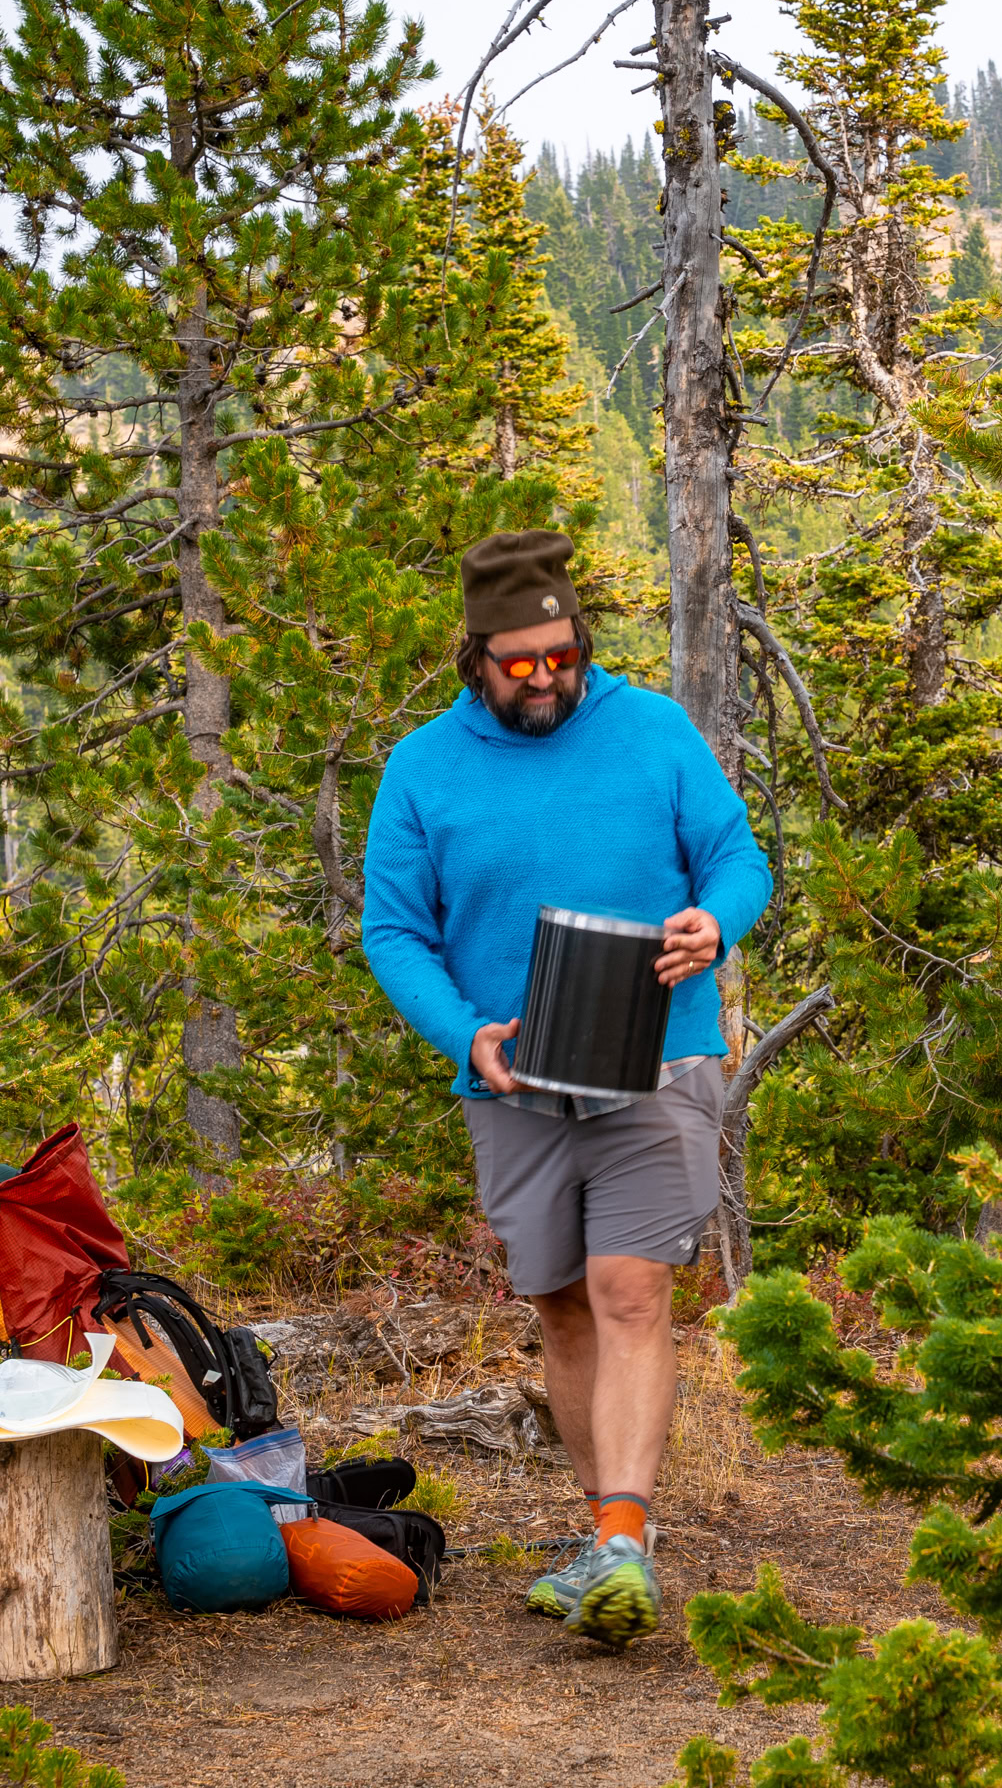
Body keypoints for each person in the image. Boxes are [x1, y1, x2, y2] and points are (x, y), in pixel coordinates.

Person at [362, 529, 772, 1649]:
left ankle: (628, 1542)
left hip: (659, 1057)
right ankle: (602, 1534)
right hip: (511, 1077)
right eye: (519, 661)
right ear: (474, 657)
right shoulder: (421, 770)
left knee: (630, 1290)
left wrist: (713, 923)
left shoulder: (652, 730)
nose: (544, 678)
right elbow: (393, 930)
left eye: (559, 655)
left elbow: (738, 858)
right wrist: (465, 1034)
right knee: (556, 1299)